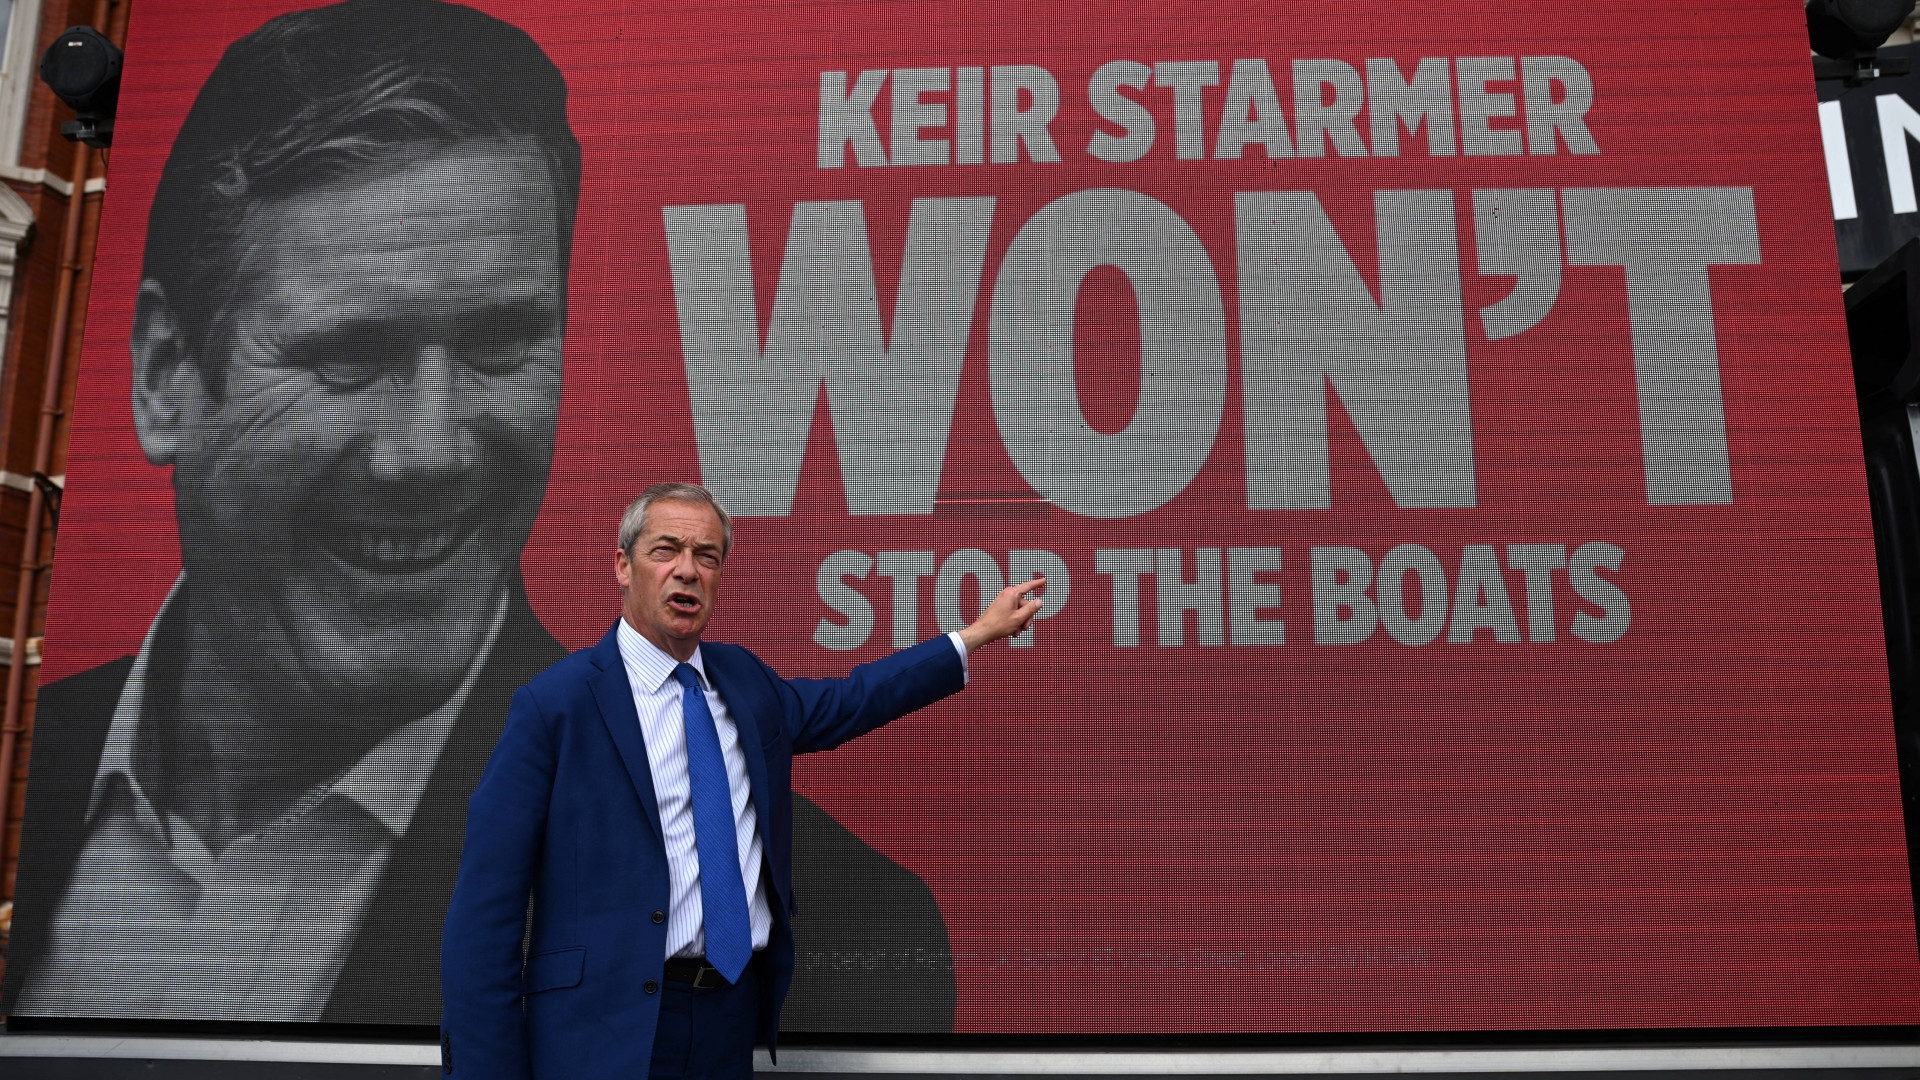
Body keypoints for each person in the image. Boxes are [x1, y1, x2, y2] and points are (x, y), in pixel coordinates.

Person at [1, 0, 952, 1028]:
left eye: (501, 345)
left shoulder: (818, 913)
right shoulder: (28, 767)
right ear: (164, 374)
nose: (430, 453)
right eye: (348, 356)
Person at [440, 483, 1044, 1079]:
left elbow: (852, 699)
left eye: (707, 556)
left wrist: (974, 636)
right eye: (665, 550)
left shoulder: (744, 681)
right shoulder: (555, 705)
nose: (687, 570)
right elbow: (483, 916)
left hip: (727, 1022)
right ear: (623, 567)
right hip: (603, 1032)